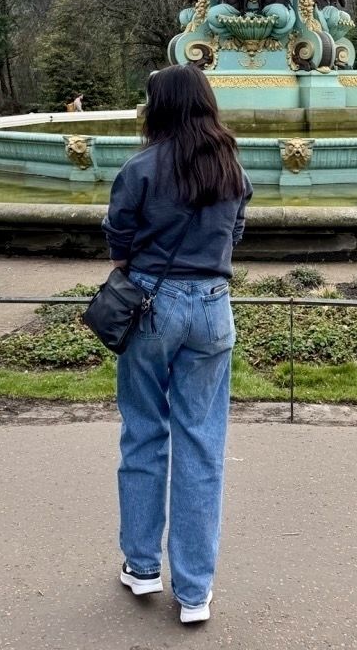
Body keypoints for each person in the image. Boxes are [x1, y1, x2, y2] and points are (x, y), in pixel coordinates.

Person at [102, 64, 252, 624]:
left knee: (144, 432)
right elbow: (235, 231)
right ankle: (195, 592)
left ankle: (142, 567)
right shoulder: (230, 165)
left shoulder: (140, 167)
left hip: (151, 305)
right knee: (202, 444)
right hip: (214, 306)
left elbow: (118, 237)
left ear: (158, 107)